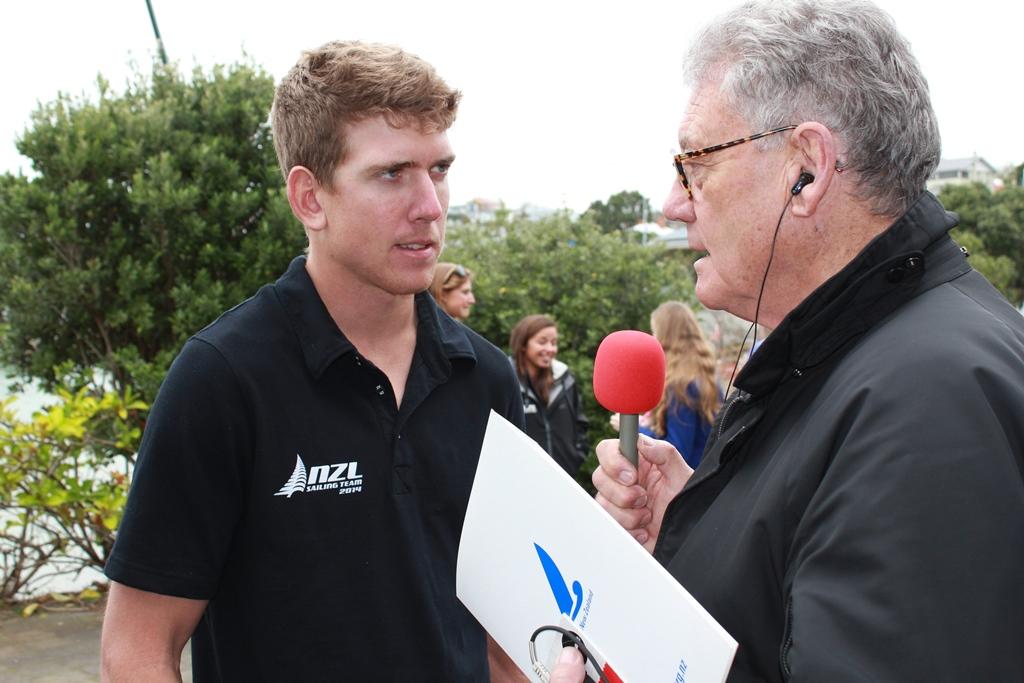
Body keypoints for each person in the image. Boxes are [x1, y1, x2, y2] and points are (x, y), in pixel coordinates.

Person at [553, 1, 1024, 681]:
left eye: (694, 164)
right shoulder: (866, 351)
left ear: (806, 170)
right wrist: (702, 533)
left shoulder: (927, 404)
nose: (672, 202)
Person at [100, 40, 527, 682]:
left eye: (438, 170)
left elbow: (507, 638)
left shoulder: (487, 378)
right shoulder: (223, 378)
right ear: (310, 198)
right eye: (392, 173)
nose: (431, 206)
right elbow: (136, 648)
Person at [641, 300, 720, 469]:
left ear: (666, 337)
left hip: (685, 483)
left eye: (655, 332)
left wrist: (635, 429)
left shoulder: (680, 385)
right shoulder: (705, 375)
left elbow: (677, 451)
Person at [509, 314, 589, 477]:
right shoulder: (506, 380)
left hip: (563, 480)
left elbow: (580, 425)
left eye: (554, 343)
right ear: (523, 344)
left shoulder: (565, 380)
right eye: (542, 342)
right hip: (520, 480)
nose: (550, 349)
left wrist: (577, 456)